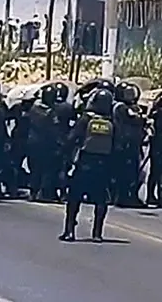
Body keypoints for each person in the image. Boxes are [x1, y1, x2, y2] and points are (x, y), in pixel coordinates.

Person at [60, 88, 116, 242]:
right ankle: (97, 233)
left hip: (85, 162)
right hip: (104, 165)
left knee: (74, 198)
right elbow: (117, 146)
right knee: (101, 200)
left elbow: (72, 138)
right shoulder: (112, 122)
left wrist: (66, 154)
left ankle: (69, 231)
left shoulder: (85, 119)